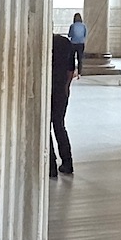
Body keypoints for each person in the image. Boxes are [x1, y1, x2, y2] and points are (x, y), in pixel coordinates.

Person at [49, 32, 83, 178]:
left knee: (45, 128)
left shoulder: (42, 43)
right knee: (59, 125)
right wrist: (66, 87)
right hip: (61, 90)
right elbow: (71, 70)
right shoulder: (64, 42)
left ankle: (50, 165)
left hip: (47, 90)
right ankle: (67, 162)